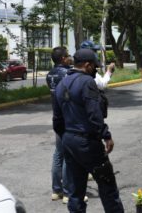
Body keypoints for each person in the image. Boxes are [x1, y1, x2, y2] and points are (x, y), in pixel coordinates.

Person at [52, 49, 124, 212]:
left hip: (69, 141)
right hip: (87, 142)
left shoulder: (61, 84)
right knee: (108, 187)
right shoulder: (87, 82)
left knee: (75, 192)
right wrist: (106, 135)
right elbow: (94, 115)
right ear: (86, 65)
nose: (95, 70)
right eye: (94, 67)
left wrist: (67, 137)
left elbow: (57, 120)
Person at [46, 47, 89, 204]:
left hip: (57, 116)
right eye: (68, 56)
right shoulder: (67, 74)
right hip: (69, 118)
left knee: (58, 154)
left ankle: (56, 190)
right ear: (63, 58)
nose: (71, 58)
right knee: (68, 156)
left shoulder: (50, 74)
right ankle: (68, 193)